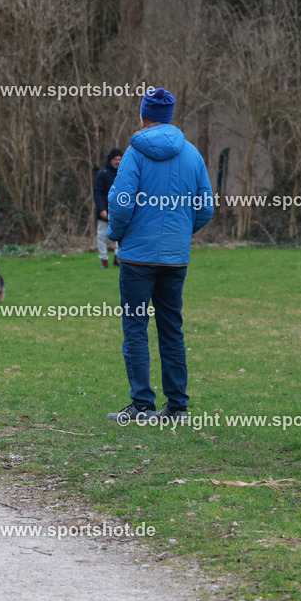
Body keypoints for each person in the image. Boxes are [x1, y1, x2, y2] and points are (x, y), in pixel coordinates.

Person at [105, 88, 213, 424]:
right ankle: (177, 407)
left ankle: (142, 405)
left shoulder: (135, 154)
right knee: (171, 329)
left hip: (137, 257)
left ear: (143, 115)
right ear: (170, 116)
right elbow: (205, 208)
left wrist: (116, 235)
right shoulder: (193, 155)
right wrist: (180, 234)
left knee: (136, 328)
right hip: (175, 258)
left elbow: (121, 203)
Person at [94, 148, 124, 268]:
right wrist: (102, 209)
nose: (118, 161)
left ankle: (118, 257)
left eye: (120, 159)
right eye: (116, 159)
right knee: (101, 236)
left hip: (118, 212)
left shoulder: (123, 173)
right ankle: (104, 260)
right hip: (104, 212)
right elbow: (97, 193)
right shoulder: (102, 173)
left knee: (120, 236)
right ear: (110, 160)